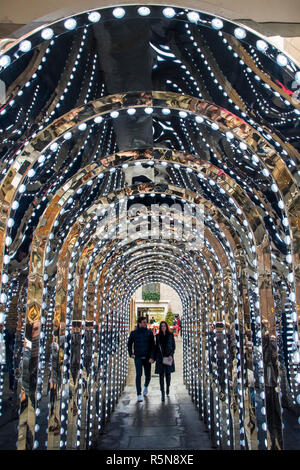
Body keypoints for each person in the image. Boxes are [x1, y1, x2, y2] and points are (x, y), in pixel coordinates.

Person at [127, 316, 155, 402]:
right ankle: (139, 394)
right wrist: (131, 353)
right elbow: (129, 344)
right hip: (138, 357)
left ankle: (146, 386)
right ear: (139, 323)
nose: (145, 324)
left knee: (148, 375)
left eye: (145, 322)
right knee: (138, 375)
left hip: (147, 357)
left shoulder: (149, 333)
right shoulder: (134, 333)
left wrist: (152, 357)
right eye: (143, 322)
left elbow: (153, 346)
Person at [154, 321, 175, 401]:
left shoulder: (170, 335)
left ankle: (168, 387)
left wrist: (171, 355)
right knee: (161, 376)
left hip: (168, 357)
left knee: (168, 375)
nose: (163, 327)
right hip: (160, 358)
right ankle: (162, 392)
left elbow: (173, 346)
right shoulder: (158, 336)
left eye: (164, 326)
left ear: (166, 327)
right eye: (162, 326)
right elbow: (156, 347)